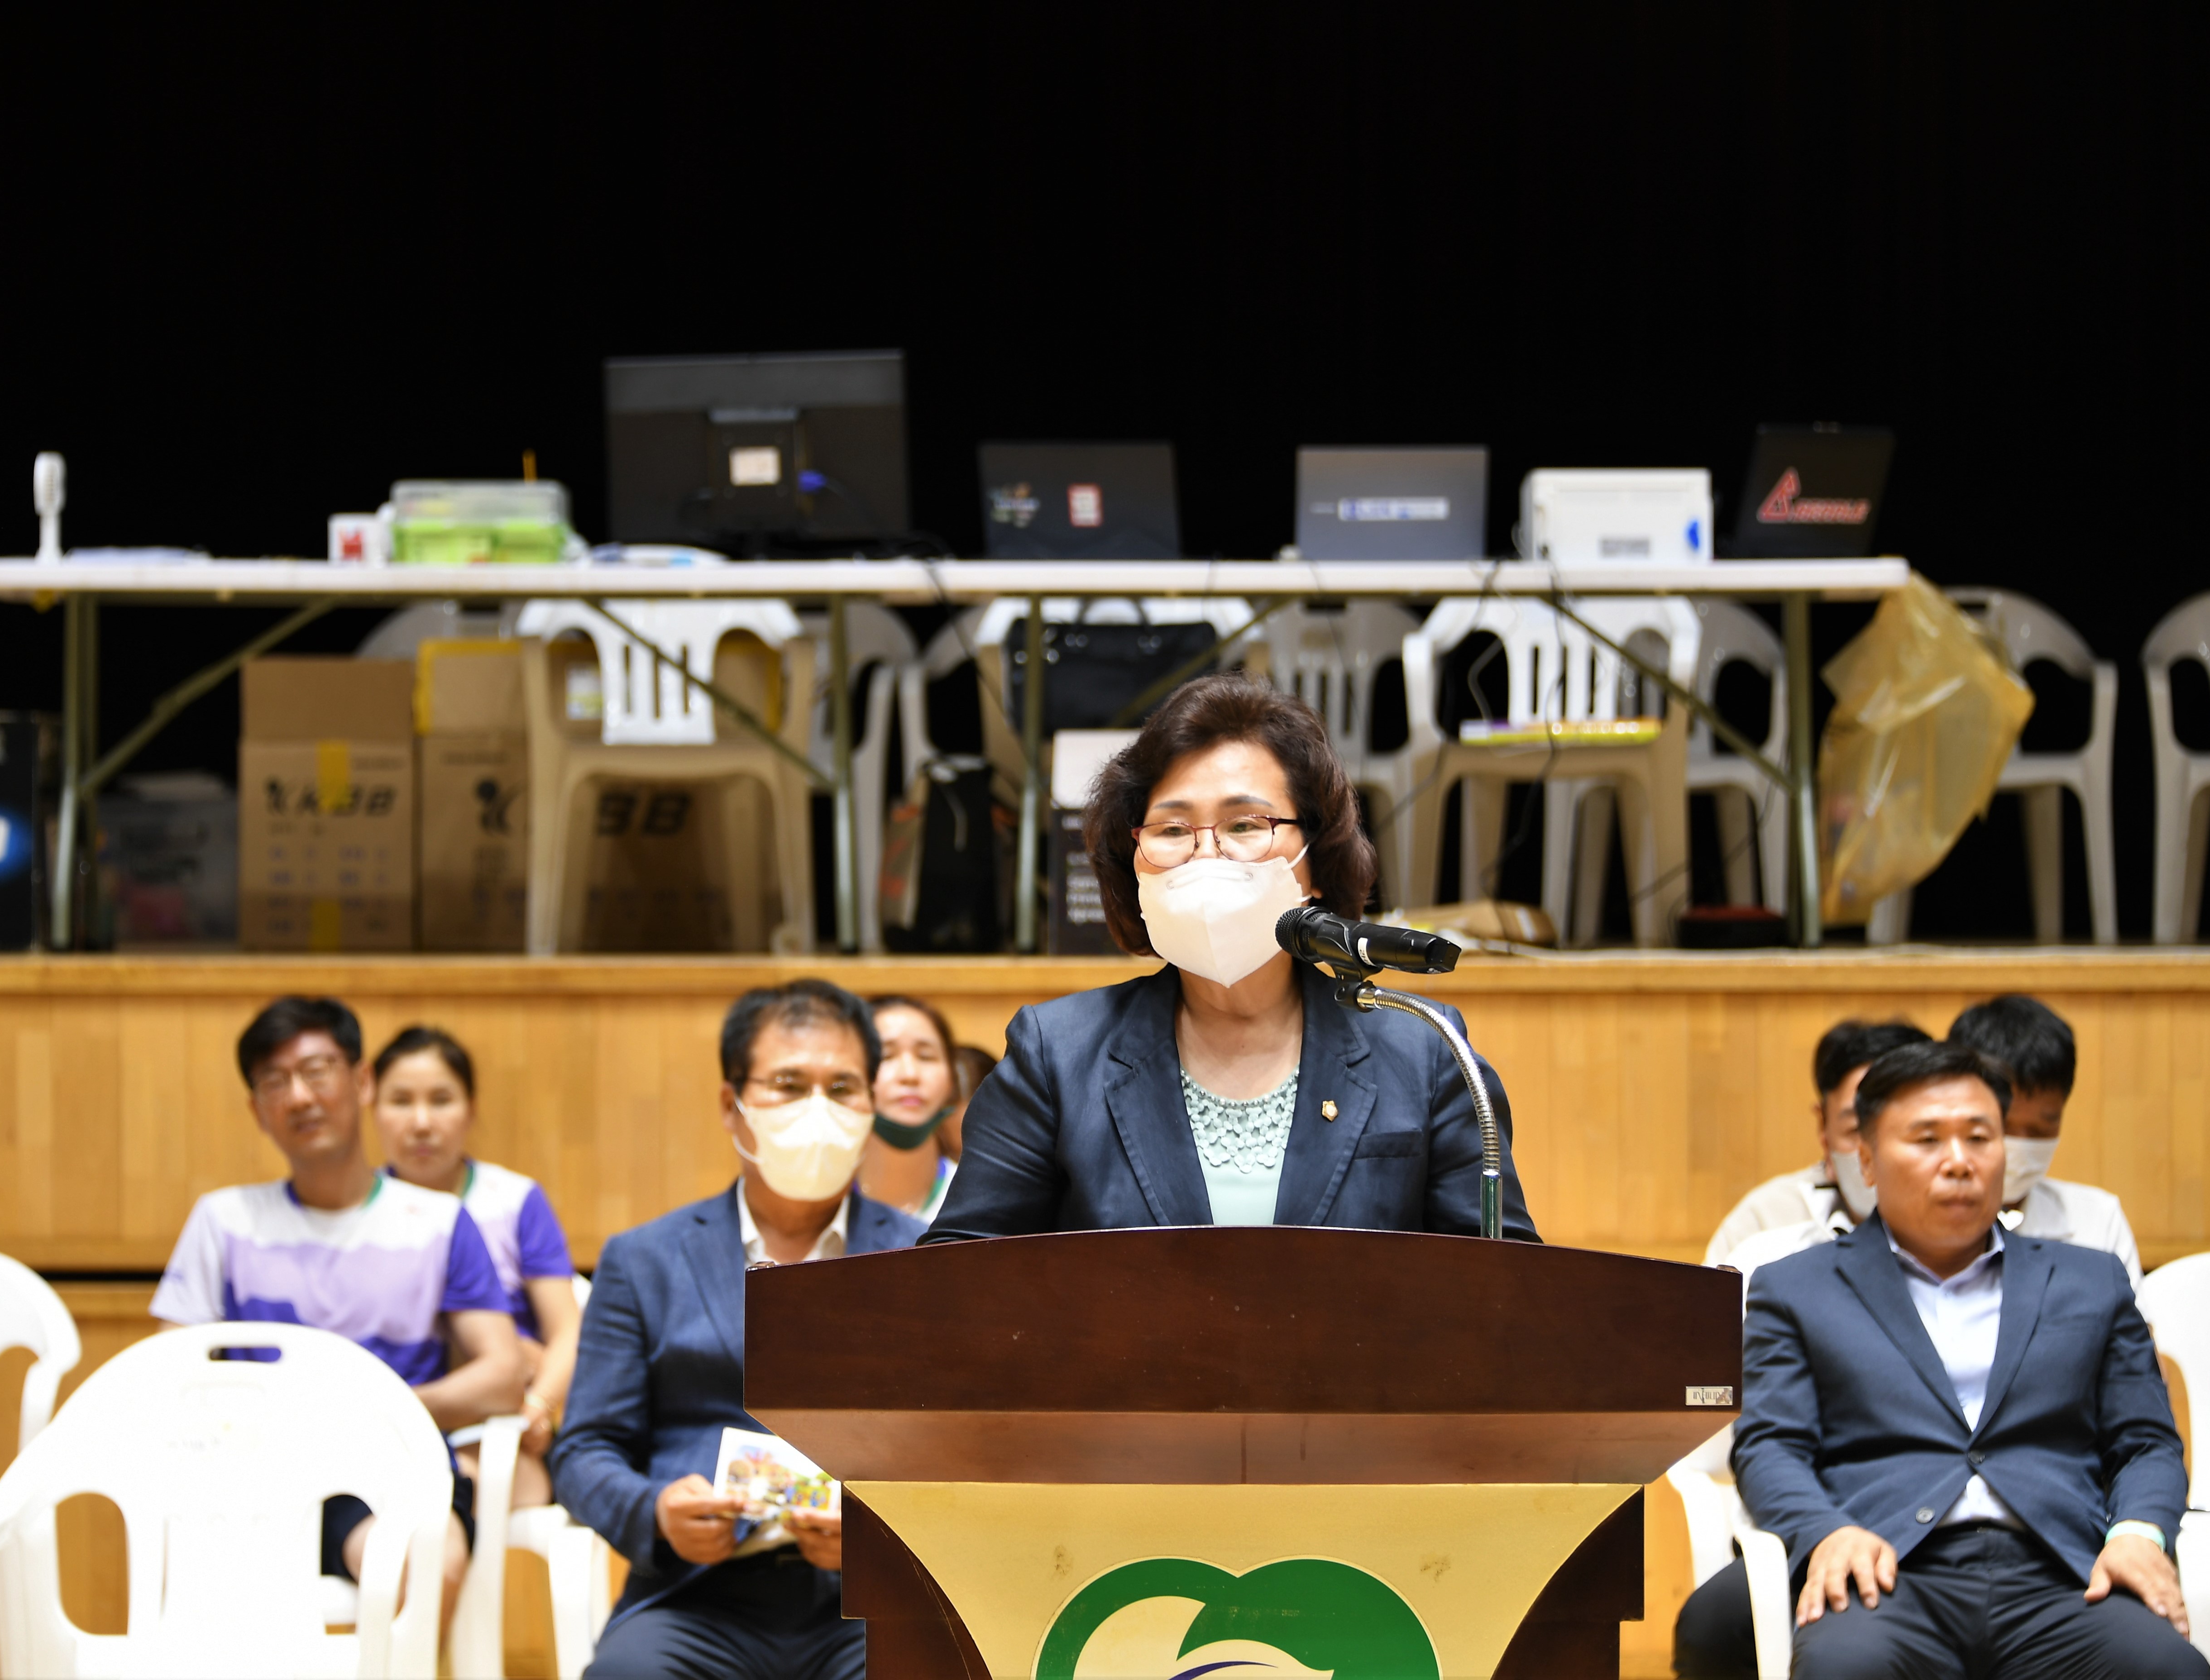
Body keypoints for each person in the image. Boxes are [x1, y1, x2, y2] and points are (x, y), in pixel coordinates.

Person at [924, 672, 1536, 1242]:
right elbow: (958, 1279)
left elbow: (1503, 1289)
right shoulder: (1057, 1056)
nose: (1205, 856)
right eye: (1172, 830)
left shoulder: (1425, 1051)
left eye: (1244, 826)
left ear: (1315, 859)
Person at [1683, 1040, 2205, 1680]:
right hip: (1885, 1569)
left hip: (2063, 1572)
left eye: (1980, 1138)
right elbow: (1770, 1446)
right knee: (1843, 1670)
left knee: (2167, 1667)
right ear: (1866, 1159)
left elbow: (2146, 1442)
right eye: (1927, 1140)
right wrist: (1825, 1532)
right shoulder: (1796, 1288)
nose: (1959, 1161)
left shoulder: (2090, 1280)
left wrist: (2139, 1533)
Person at [550, 979, 927, 1680]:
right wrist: (656, 1511)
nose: (818, 1109)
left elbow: (967, 1454)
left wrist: (876, 1535)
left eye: (842, 1088)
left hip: (874, 1599)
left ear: (871, 1104)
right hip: (694, 1599)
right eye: (789, 1085)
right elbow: (584, 1449)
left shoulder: (927, 1260)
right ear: (732, 1105)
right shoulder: (644, 1260)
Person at [151, 996, 522, 1627]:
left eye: (317, 1072)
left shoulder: (437, 1222)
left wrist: (379, 1411)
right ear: (257, 1110)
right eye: (275, 1081)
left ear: (362, 1082)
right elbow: (171, 1372)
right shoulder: (223, 1221)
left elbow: (503, 1375)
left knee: (425, 1564)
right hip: (250, 1478)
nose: (300, 1097)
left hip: (392, 1471)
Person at [373, 1023, 583, 1511]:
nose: (421, 1122)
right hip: (388, 1429)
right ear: (372, 1107)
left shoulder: (515, 1199)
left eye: (441, 1100)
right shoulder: (358, 1212)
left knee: (441, 1494)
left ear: (470, 1108)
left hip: (503, 1429)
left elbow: (568, 1330)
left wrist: (537, 1407)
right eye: (400, 1101)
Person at [1703, 1019, 1931, 1267]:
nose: (1878, 1155)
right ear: (1824, 1128)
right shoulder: (1763, 1225)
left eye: (1918, 1134)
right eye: (1857, 1130)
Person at [1947, 995, 2141, 1283]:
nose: (2021, 1146)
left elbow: (2130, 1313)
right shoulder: (1909, 1219)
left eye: (2041, 1130)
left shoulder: (2097, 1219)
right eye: (2004, 1126)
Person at [856, 995, 968, 1219]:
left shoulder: (980, 1201)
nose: (910, 1075)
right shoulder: (822, 1200)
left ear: (952, 1081)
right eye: (886, 1056)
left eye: (926, 1057)